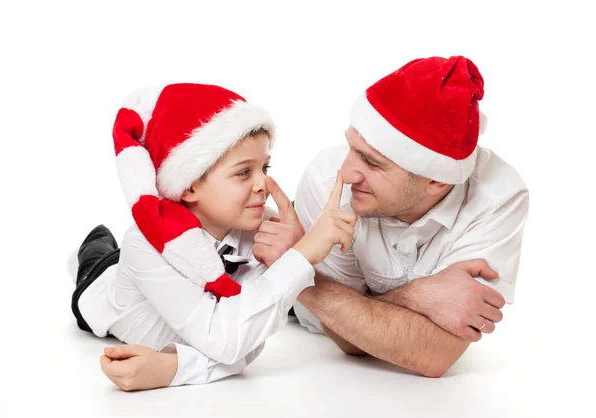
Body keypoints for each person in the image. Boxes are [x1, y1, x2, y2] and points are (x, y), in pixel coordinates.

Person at [67, 83, 357, 391]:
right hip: (104, 281)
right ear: (189, 186)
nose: (264, 183)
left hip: (170, 274)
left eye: (265, 167)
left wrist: (171, 368)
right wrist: (302, 256)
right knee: (97, 252)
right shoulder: (144, 245)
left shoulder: (262, 229)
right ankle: (91, 247)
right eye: (244, 172)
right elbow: (229, 340)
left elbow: (246, 339)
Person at [283, 55, 530, 377]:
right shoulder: (326, 179)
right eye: (351, 147)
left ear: (437, 180)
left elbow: (435, 354)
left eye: (372, 163)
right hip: (289, 306)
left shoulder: (498, 198)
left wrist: (315, 288)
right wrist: (421, 295)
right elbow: (347, 339)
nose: (345, 172)